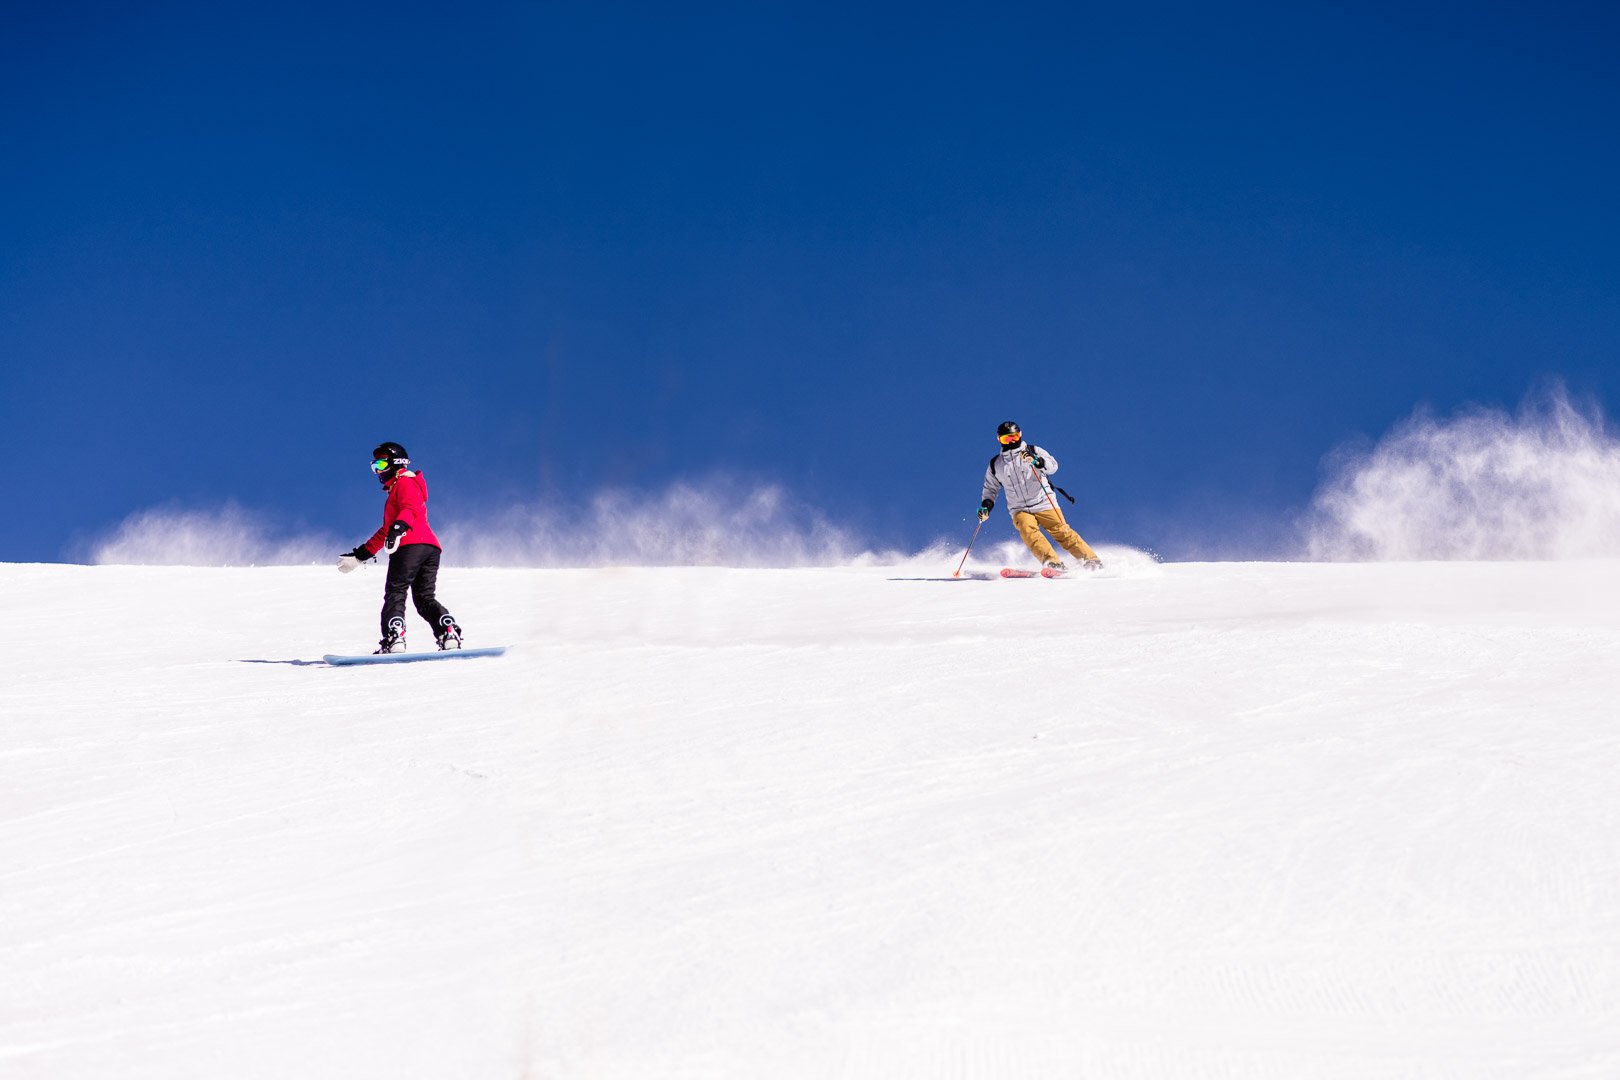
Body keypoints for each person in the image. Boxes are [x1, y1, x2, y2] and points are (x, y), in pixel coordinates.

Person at [338, 442, 464, 653]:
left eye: (381, 464)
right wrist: (360, 555)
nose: (377, 471)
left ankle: (394, 638)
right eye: (374, 466)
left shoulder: (405, 483)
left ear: (396, 464)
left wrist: (398, 528)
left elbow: (409, 509)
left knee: (395, 592)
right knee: (425, 598)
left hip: (409, 546)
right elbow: (385, 531)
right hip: (430, 548)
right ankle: (447, 631)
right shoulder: (402, 487)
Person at [978, 420, 1103, 573]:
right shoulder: (996, 464)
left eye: (1014, 437)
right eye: (1006, 439)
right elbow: (990, 488)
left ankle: (1092, 561)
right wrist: (986, 506)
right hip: (1019, 508)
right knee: (1028, 531)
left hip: (1044, 501)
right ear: (999, 440)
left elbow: (1053, 466)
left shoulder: (1033, 450)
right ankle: (1052, 562)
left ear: (1020, 435)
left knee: (1062, 532)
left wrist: (1037, 461)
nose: (1011, 441)